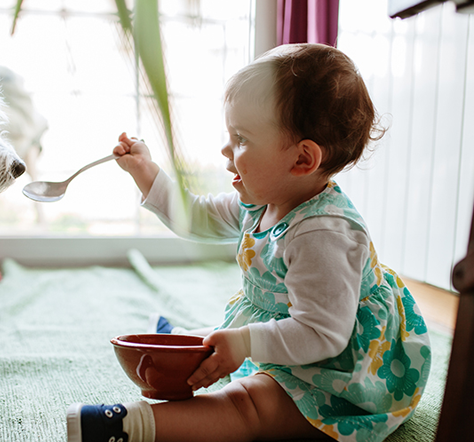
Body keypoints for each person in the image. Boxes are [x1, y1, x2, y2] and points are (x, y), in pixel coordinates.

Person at [66, 43, 431, 442]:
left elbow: (323, 333)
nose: (225, 150)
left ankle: (130, 426)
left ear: (301, 160)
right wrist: (147, 173)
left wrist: (245, 342)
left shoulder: (324, 234)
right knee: (212, 345)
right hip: (288, 337)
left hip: (341, 373)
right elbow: (198, 216)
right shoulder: (263, 201)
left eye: (240, 138)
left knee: (249, 405)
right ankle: (191, 340)